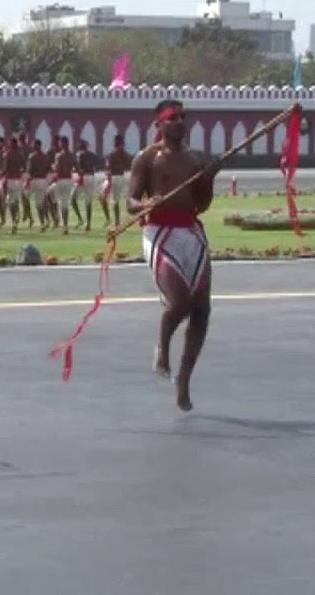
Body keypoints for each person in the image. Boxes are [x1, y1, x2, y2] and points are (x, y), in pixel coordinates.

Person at [127, 100, 217, 412]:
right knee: (179, 303)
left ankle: (184, 379)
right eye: (173, 118)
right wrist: (146, 204)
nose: (181, 122)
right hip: (160, 233)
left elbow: (202, 204)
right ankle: (162, 348)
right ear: (160, 125)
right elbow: (129, 201)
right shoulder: (147, 159)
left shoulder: (196, 159)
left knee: (202, 309)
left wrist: (210, 178)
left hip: (190, 232)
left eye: (183, 117)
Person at [101, 135, 133, 226]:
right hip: (120, 177)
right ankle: (116, 220)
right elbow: (129, 165)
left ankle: (115, 220)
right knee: (116, 200)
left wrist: (108, 177)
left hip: (114, 177)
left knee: (113, 200)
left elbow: (108, 167)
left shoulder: (112, 155)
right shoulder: (124, 155)